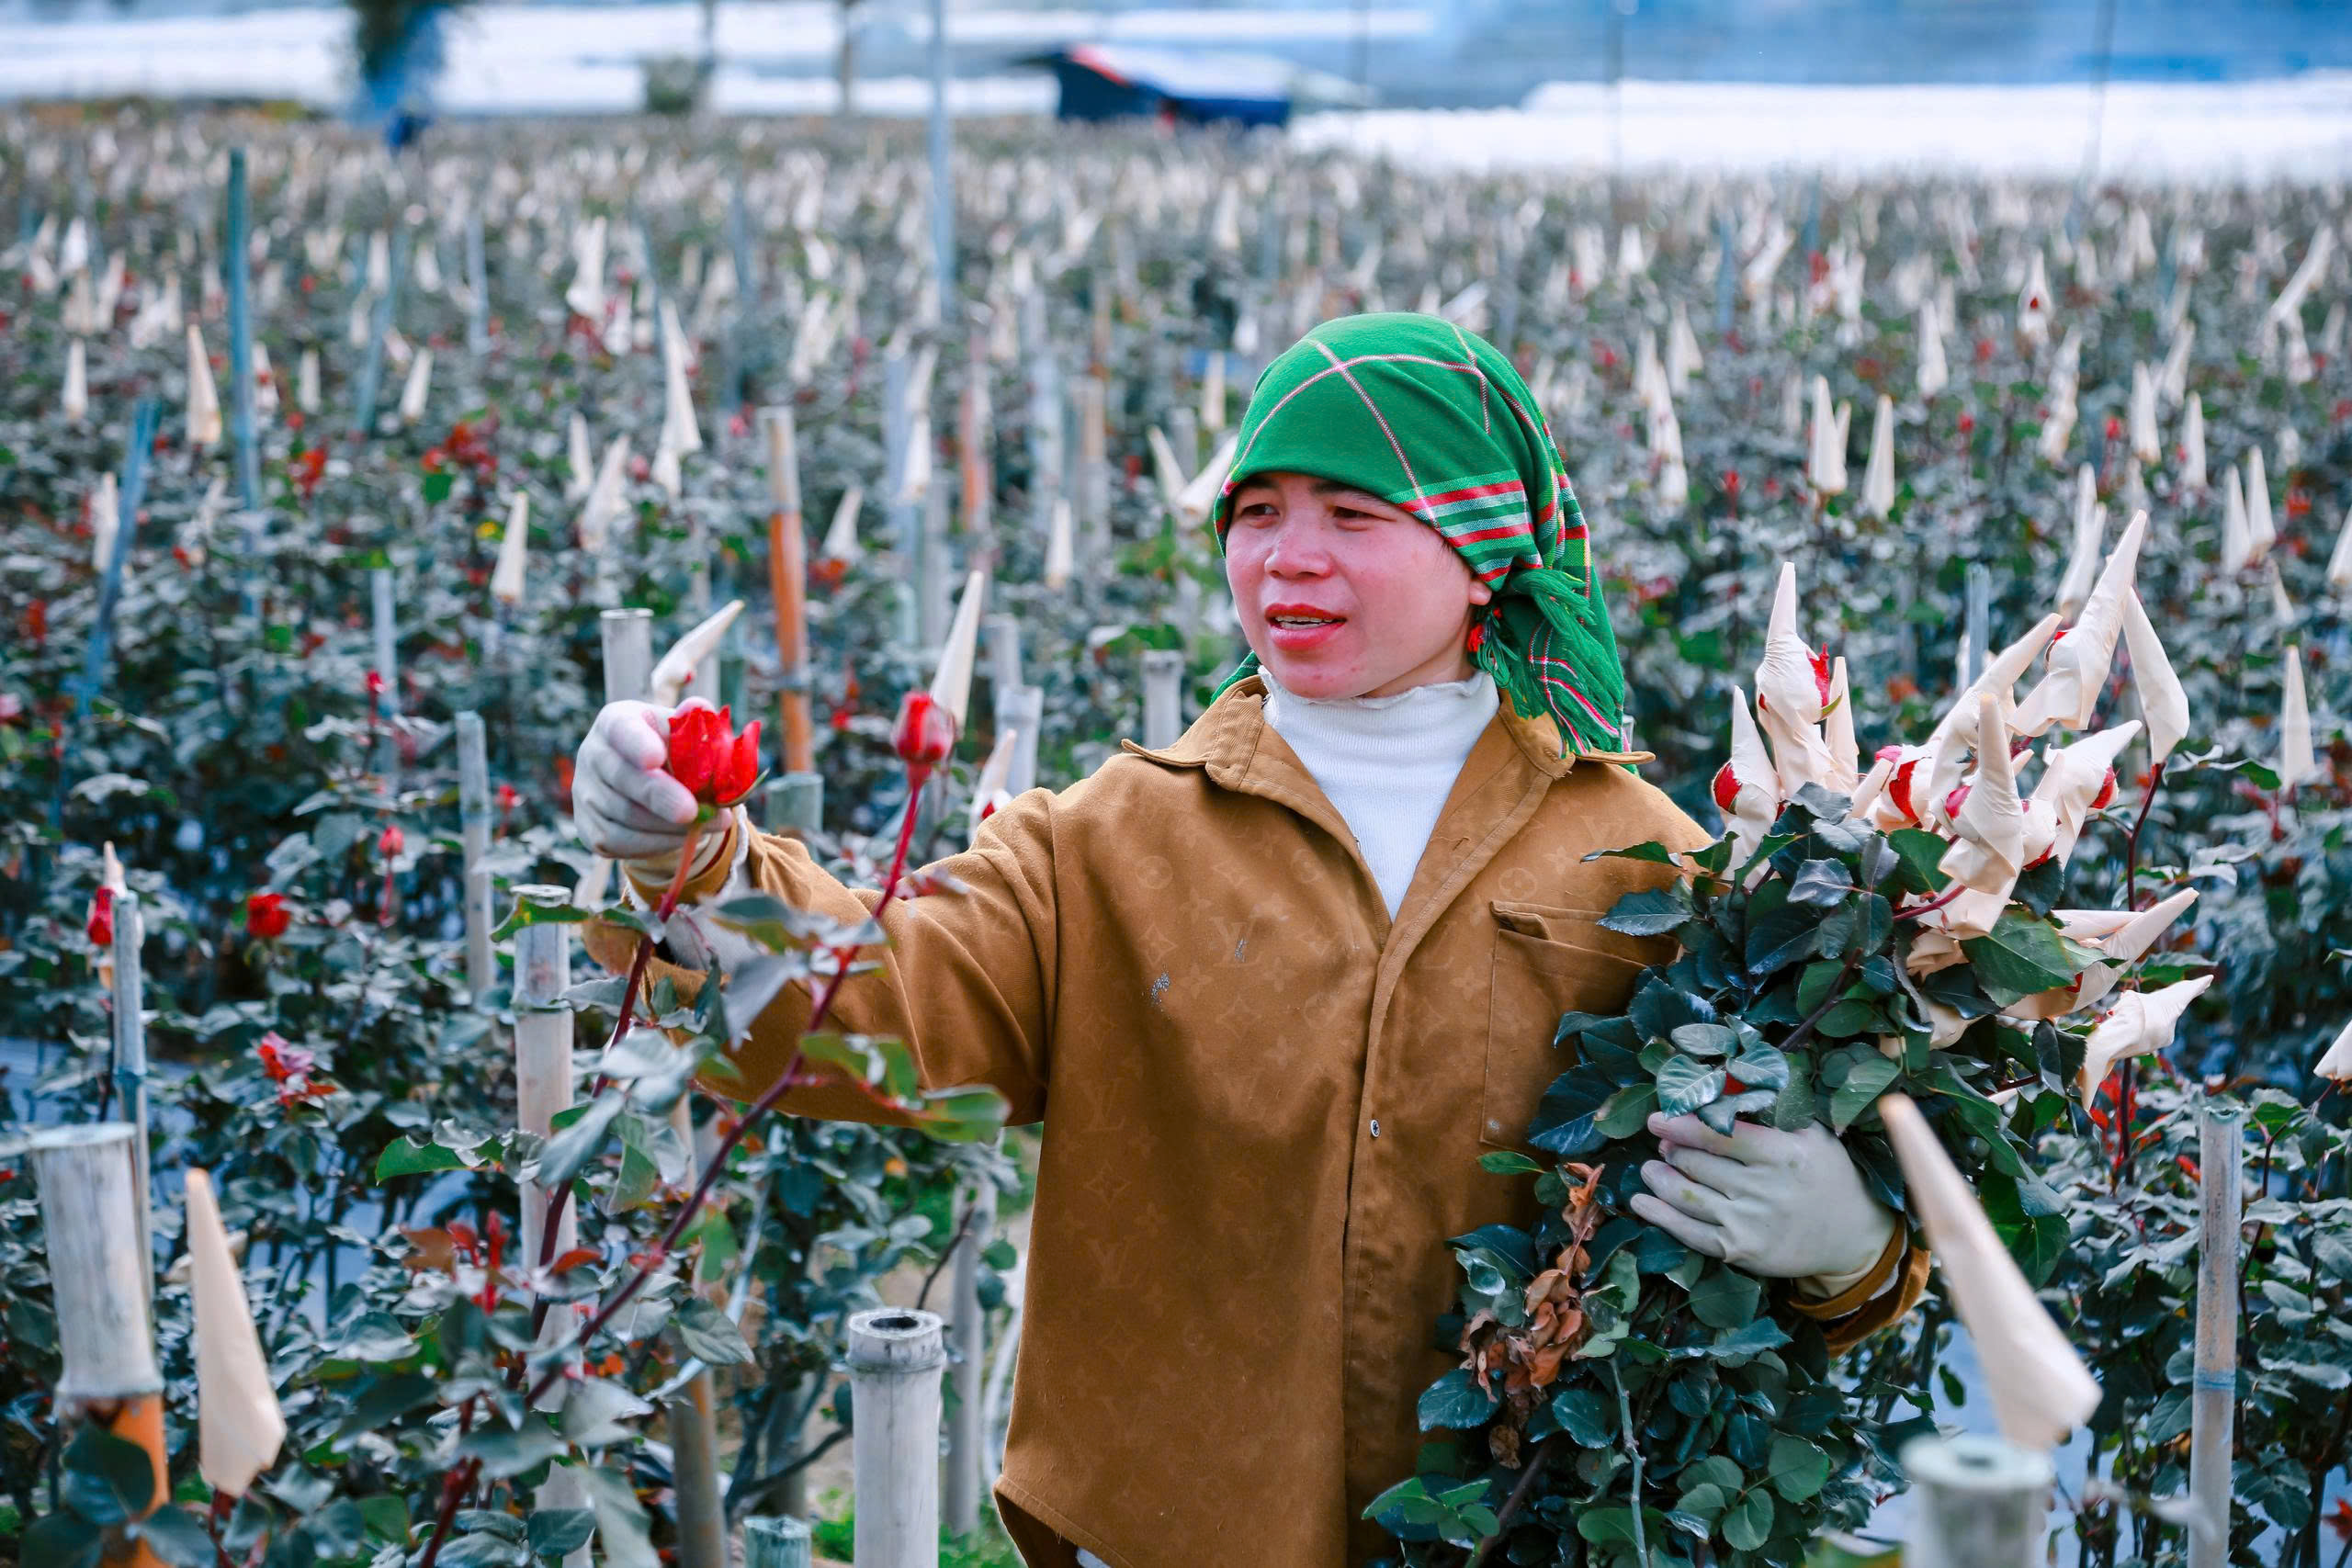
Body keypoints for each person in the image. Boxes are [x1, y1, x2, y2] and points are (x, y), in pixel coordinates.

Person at [571, 313, 1926, 1568]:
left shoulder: (1641, 862)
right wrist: (694, 869)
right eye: (1258, 511)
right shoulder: (1112, 839)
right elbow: (880, 1003)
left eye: (1353, 513)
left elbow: (1808, 1259)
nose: (1290, 556)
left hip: (1530, 1530)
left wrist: (1847, 1241)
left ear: (1483, 552)